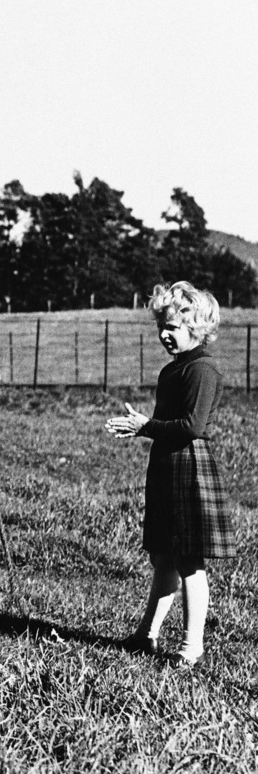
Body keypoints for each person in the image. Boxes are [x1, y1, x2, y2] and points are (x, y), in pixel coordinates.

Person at [106, 281, 233, 667]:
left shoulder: (202, 369)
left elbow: (192, 427)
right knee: (163, 558)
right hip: (166, 466)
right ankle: (146, 636)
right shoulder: (172, 370)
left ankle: (191, 646)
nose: (164, 333)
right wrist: (144, 427)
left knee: (189, 561)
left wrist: (145, 427)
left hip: (189, 467)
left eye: (173, 327)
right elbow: (167, 424)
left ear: (195, 329)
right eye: (162, 325)